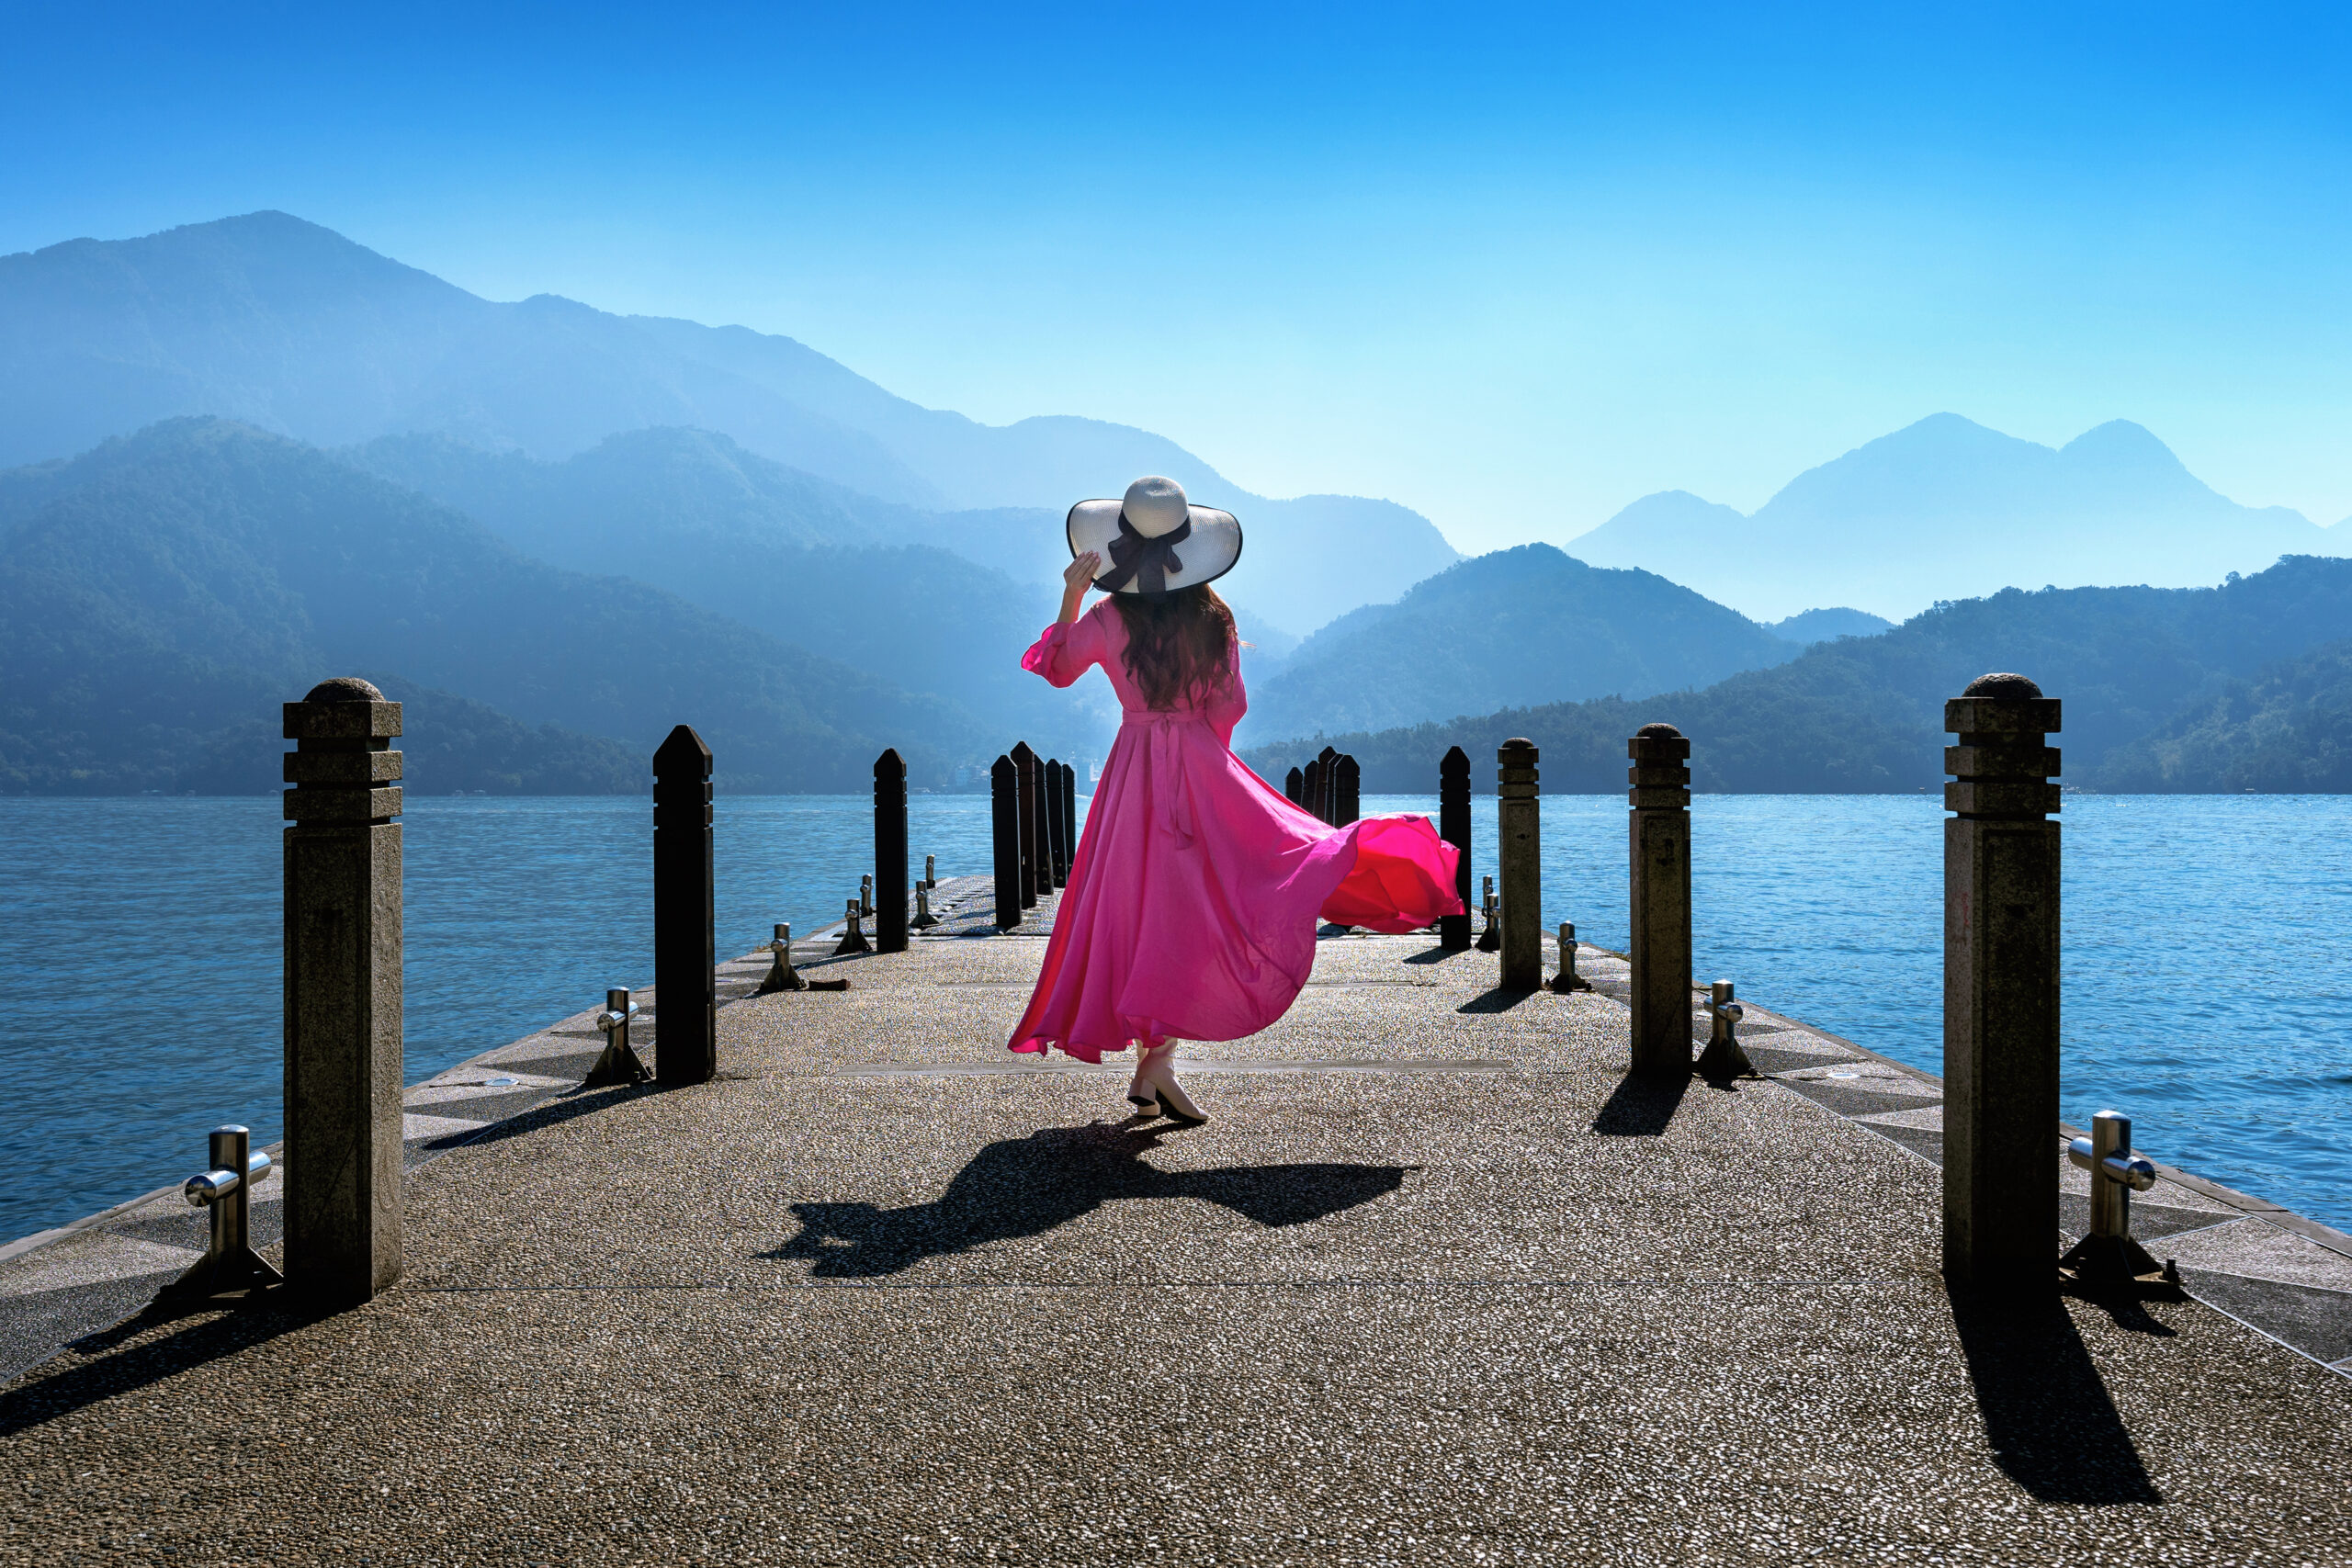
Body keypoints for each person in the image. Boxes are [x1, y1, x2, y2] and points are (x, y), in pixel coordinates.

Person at [1008, 475, 1464, 1123]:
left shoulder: (1109, 618)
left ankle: (1155, 1062)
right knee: (1214, 901)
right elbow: (1231, 705)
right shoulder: (1214, 619)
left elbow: (1056, 670)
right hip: (1200, 768)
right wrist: (1204, 758)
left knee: (1137, 910)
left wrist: (1071, 595)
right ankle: (1156, 1064)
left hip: (1132, 775)